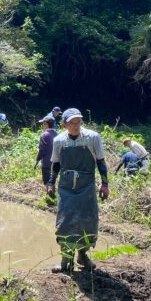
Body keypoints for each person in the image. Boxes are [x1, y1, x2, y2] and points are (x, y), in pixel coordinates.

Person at [47, 108, 109, 273]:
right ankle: (66, 260)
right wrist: (51, 183)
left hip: (86, 186)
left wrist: (105, 184)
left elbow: (100, 162)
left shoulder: (92, 138)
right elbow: (56, 163)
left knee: (87, 220)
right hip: (66, 187)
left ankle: (82, 255)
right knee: (65, 222)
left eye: (78, 122)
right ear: (65, 124)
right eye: (72, 123)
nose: (76, 126)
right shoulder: (59, 140)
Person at [35, 114, 58, 189]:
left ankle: (49, 193)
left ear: (46, 124)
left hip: (46, 162)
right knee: (53, 179)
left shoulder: (44, 135)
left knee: (46, 181)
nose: (42, 125)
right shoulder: (57, 134)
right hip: (55, 162)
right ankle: (52, 192)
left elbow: (42, 150)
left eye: (43, 124)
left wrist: (38, 159)